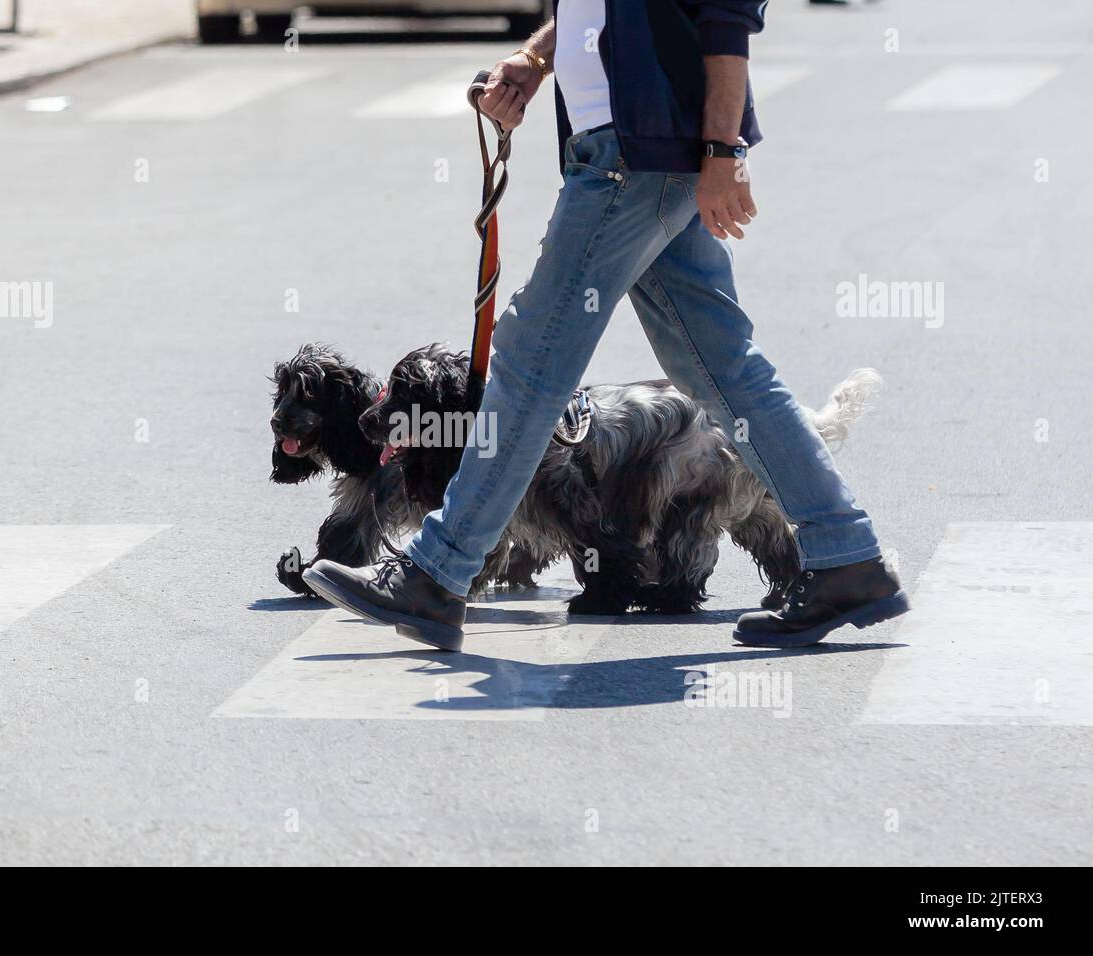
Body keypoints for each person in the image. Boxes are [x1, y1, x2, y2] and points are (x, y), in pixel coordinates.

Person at [303, 0, 909, 652]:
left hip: (635, 153)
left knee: (530, 363)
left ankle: (437, 571)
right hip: (630, 146)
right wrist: (537, 59)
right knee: (721, 365)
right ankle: (847, 555)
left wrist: (722, 148)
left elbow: (727, 10)